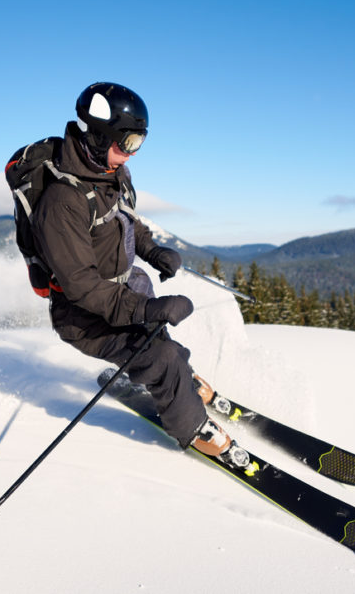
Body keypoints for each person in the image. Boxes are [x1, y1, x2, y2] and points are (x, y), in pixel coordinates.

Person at [30, 81, 247, 467]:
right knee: (160, 356)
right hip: (82, 316)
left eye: (138, 144)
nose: (131, 154)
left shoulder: (114, 176)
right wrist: (146, 310)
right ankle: (194, 429)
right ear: (97, 137)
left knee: (157, 343)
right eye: (126, 143)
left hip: (123, 292)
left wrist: (152, 250)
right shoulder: (62, 201)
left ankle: (176, 379)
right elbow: (82, 286)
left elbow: (127, 222)